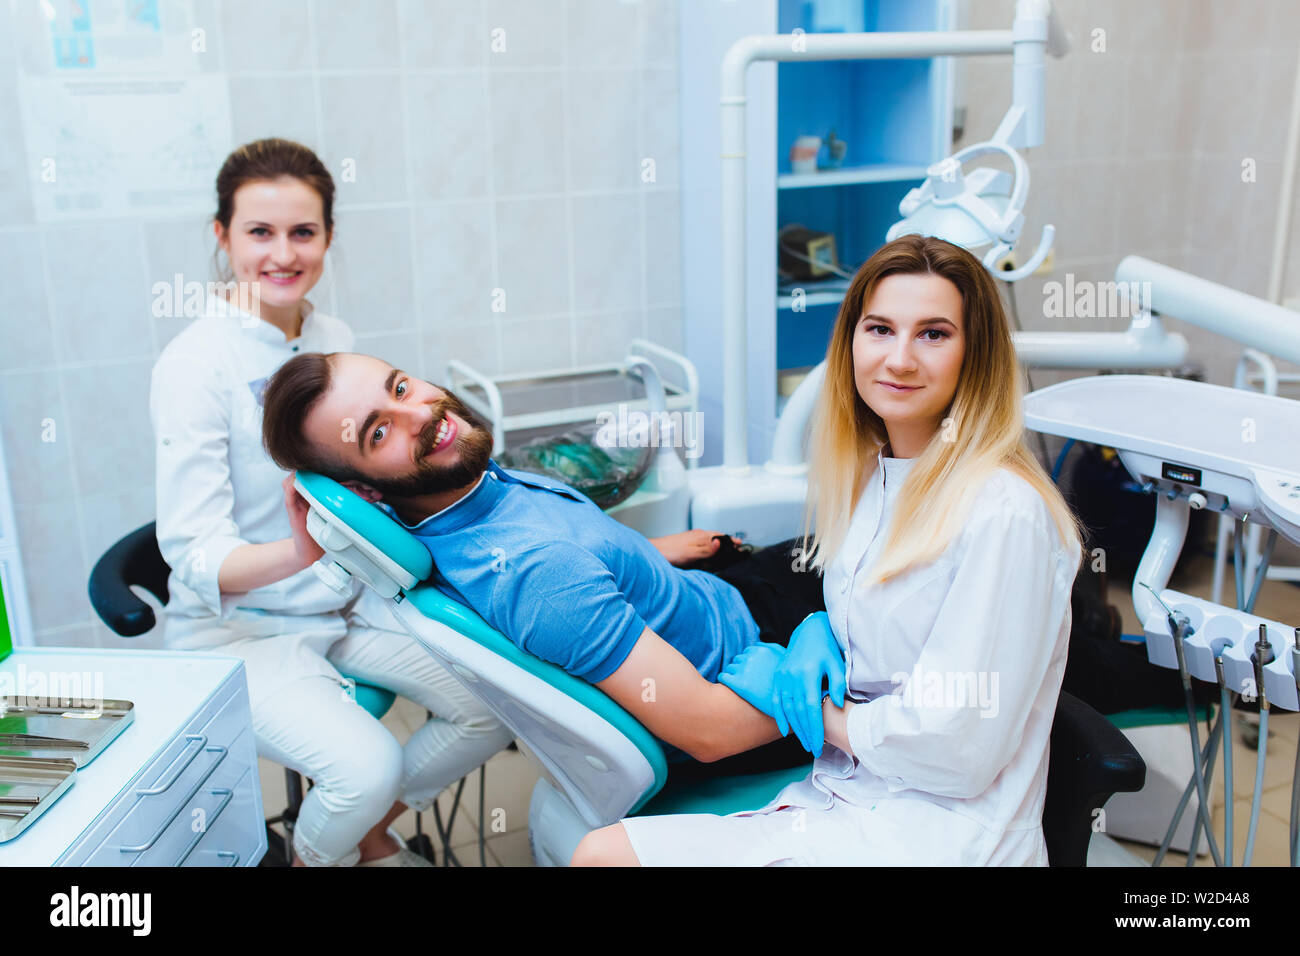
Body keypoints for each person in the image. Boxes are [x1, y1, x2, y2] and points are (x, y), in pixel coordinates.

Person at [572, 233, 1084, 866]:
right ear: (850, 344)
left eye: (933, 334)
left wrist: (810, 711)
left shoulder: (1003, 512)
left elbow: (959, 747)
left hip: (942, 835)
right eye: (879, 329)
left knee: (606, 858)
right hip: (850, 798)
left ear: (973, 356)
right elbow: (896, 636)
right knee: (603, 853)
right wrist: (819, 628)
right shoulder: (876, 473)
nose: (899, 359)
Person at [150, 138, 511, 868]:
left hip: (339, 602)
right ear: (222, 237)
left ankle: (371, 833)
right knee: (366, 766)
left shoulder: (333, 340)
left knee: (497, 702)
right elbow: (190, 554)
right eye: (259, 232)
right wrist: (297, 553)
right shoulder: (195, 365)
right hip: (240, 633)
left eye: (303, 232)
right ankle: (321, 856)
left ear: (328, 237)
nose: (282, 253)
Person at [258, 351, 825, 774]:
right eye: (380, 432)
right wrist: (826, 695)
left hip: (717, 593)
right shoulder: (536, 574)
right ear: (363, 491)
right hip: (756, 659)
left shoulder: (465, 495)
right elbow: (709, 731)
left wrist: (652, 556)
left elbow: (581, 568)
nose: (421, 413)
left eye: (401, 386)